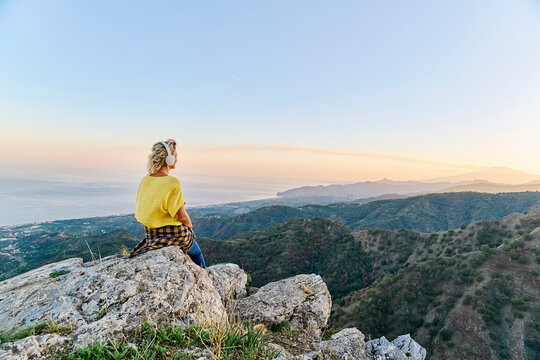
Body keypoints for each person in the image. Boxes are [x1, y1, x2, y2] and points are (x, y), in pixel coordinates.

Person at [128, 139, 206, 268]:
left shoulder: (145, 179)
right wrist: (190, 228)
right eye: (176, 156)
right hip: (175, 233)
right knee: (197, 252)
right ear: (169, 158)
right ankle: (205, 275)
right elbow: (182, 216)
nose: (177, 159)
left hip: (151, 234)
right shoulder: (172, 182)